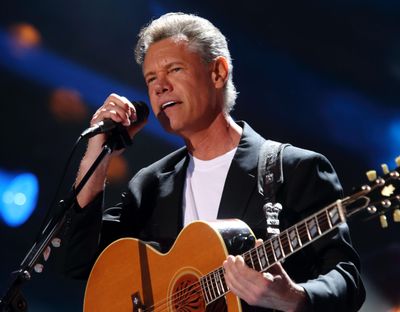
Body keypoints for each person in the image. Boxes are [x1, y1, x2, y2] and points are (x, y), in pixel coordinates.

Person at [62, 12, 365, 311]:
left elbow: (347, 280)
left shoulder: (295, 170)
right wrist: (97, 154)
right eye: (151, 78)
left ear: (218, 72)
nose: (159, 86)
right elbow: (80, 262)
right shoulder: (151, 184)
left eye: (174, 70)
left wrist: (294, 297)